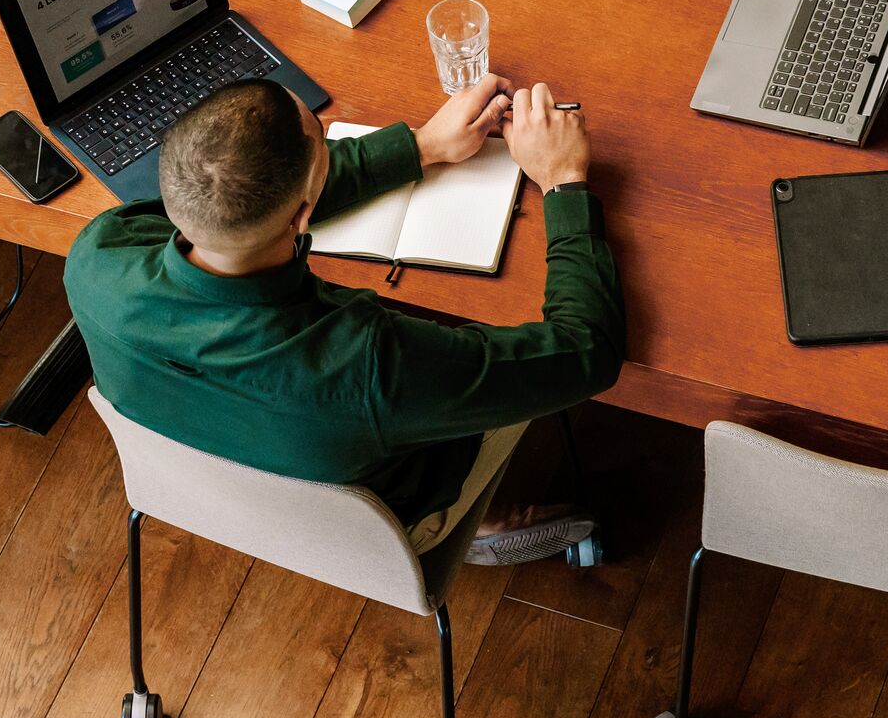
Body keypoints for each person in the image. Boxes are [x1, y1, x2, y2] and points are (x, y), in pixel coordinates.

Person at [65, 73, 624, 564]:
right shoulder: (367, 361)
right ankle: (475, 519)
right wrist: (563, 180)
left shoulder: (98, 254)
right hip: (375, 520)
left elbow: (235, 219)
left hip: (198, 488)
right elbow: (587, 351)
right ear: (305, 213)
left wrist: (421, 146)